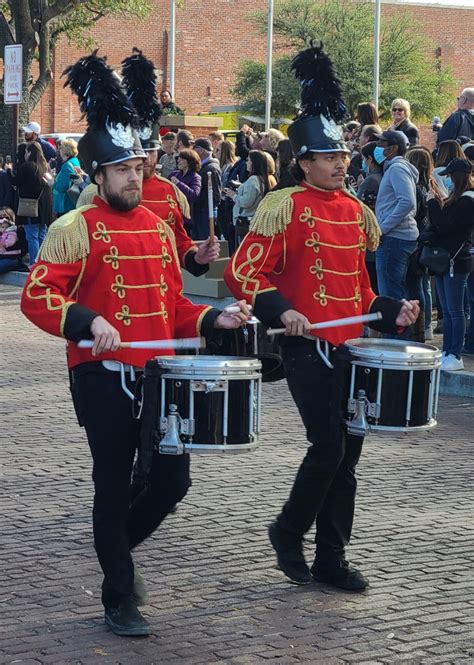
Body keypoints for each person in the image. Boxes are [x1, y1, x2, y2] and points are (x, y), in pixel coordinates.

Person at [21, 51, 249, 638]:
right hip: (101, 373)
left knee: (173, 481)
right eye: (121, 170)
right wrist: (86, 320)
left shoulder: (154, 225)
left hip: (159, 371)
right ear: (98, 174)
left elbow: (173, 305)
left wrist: (213, 318)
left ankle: (116, 547)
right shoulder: (76, 227)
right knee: (111, 476)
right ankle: (118, 592)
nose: (133, 177)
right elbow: (37, 297)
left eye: (137, 169)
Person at [224, 45, 419, 591]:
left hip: (349, 346)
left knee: (348, 456)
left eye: (342, 155)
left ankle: (331, 557)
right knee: (328, 445)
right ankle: (288, 531)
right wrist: (282, 311)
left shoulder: (357, 212)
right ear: (303, 162)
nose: (339, 163)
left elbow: (359, 290)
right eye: (327, 157)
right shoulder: (283, 204)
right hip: (304, 346)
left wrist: (392, 309)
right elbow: (243, 274)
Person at [121, 48, 218, 275]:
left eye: (151, 151)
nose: (146, 158)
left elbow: (180, 242)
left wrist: (197, 257)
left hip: (163, 287)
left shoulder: (170, 191)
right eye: (139, 152)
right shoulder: (102, 192)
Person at [425, 158, 474, 371]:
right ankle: (447, 351)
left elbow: (445, 226)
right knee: (447, 307)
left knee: (455, 310)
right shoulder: (460, 199)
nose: (449, 182)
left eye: (451, 177)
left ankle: (455, 352)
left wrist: (433, 204)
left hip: (456, 259)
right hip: (450, 260)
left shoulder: (467, 200)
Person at [373, 130, 419, 304]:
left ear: (392, 148)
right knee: (400, 295)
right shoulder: (395, 168)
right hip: (398, 238)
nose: (378, 148)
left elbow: (407, 202)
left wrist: (382, 228)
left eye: (381, 144)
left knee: (391, 298)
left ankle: (396, 331)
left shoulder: (397, 169)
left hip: (395, 239)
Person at [5, 141, 53, 266]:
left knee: (32, 236)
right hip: (44, 207)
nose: (25, 154)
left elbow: (16, 181)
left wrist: (9, 170)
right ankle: (43, 262)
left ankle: (34, 264)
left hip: (29, 206)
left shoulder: (27, 166)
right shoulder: (45, 166)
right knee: (42, 234)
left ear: (30, 152)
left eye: (26, 151)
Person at [224, 149, 271, 245]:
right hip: (251, 221)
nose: (246, 163)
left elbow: (246, 202)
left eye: (248, 160)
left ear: (254, 163)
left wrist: (233, 195)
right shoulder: (261, 179)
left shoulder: (253, 180)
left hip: (245, 223)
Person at [357, 141, 383, 293]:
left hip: (370, 243)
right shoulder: (380, 177)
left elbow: (360, 207)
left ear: (369, 159)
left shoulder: (372, 180)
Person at [192, 138, 222, 240]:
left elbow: (215, 195)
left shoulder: (211, 168)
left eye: (194, 148)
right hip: (200, 212)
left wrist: (200, 202)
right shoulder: (202, 167)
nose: (193, 151)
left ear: (200, 150)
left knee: (204, 240)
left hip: (205, 213)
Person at [169, 149, 202, 227]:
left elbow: (194, 195)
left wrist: (178, 183)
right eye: (178, 158)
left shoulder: (195, 177)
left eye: (182, 159)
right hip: (172, 215)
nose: (178, 161)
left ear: (189, 161)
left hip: (186, 218)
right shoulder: (174, 174)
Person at [52, 139, 82, 216]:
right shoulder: (75, 160)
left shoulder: (67, 165)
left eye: (61, 148)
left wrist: (53, 183)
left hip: (65, 204)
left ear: (65, 150)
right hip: (71, 202)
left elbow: (63, 187)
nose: (59, 150)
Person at [0, 207, 23, 274]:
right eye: (0, 216)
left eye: (4, 216)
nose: (2, 219)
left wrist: (5, 246)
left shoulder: (17, 230)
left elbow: (23, 247)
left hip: (12, 258)